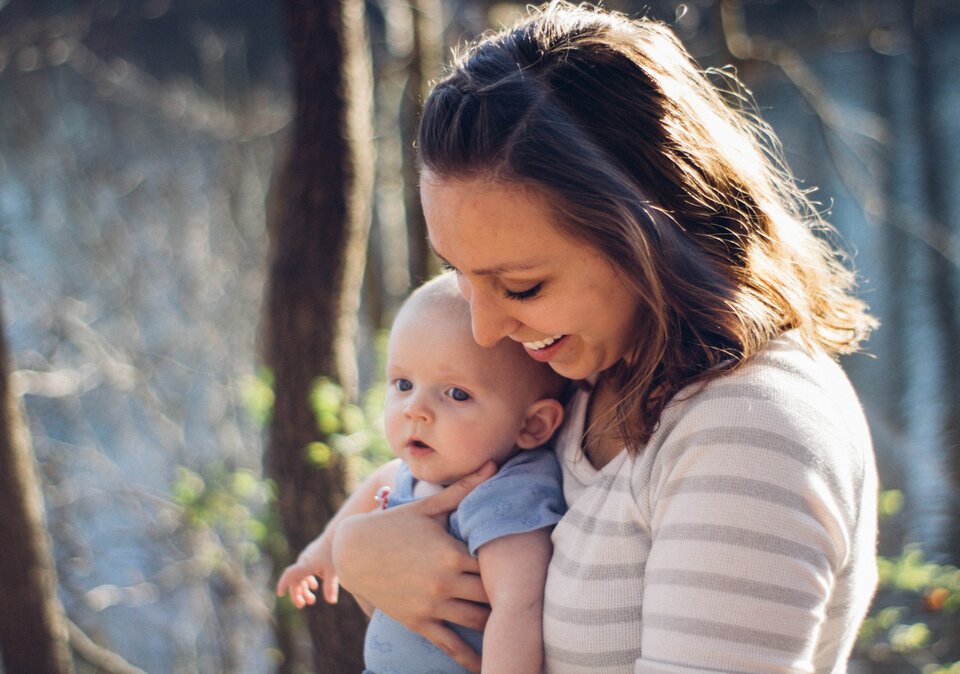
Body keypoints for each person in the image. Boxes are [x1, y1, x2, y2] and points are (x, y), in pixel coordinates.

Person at [331, 2, 880, 673]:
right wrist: (362, 553)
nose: (484, 328)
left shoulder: (748, 430)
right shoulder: (588, 373)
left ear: (652, 234)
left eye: (523, 286)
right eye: (459, 274)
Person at [276, 273, 568, 674]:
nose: (415, 409)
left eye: (456, 393)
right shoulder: (407, 474)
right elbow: (373, 485)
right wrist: (318, 556)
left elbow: (518, 609)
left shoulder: (506, 496)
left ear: (532, 426)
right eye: (403, 383)